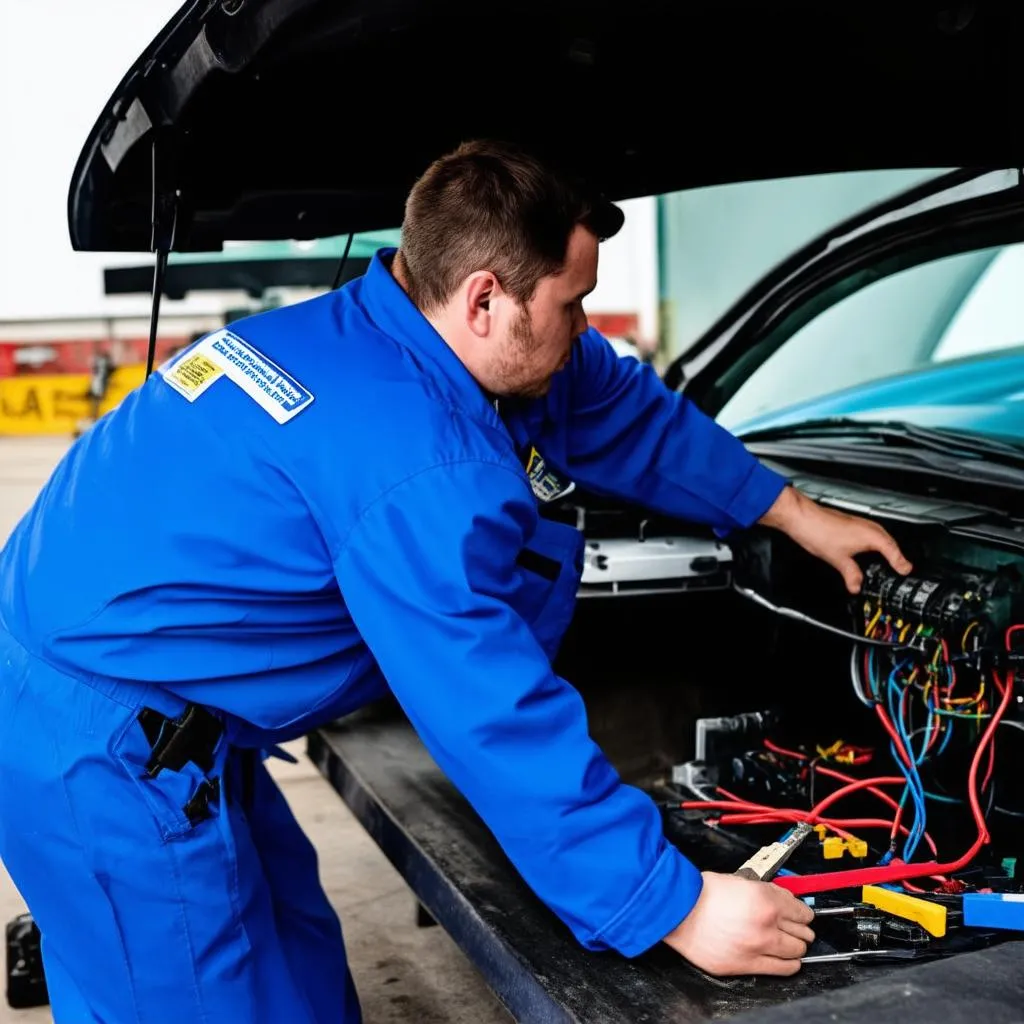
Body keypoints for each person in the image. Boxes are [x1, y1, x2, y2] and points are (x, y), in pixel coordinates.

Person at [0, 140, 912, 1023]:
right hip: (95, 745)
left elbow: (615, 404)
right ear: (485, 299)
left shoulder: (400, 325)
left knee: (299, 977)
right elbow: (490, 709)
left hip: (169, 707)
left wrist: (788, 510)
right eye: (573, 304)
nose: (584, 328)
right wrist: (670, 905)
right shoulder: (413, 462)